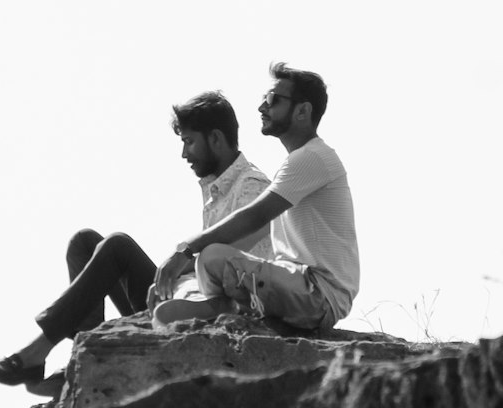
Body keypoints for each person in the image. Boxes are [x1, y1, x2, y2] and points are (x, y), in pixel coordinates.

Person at [0, 90, 270, 394]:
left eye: (189, 141)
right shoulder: (215, 190)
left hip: (215, 309)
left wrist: (178, 268)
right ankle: (84, 357)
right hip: (188, 298)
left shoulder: (251, 185)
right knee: (84, 242)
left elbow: (231, 257)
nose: (184, 154)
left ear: (216, 139)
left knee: (118, 245)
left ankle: (35, 353)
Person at [151, 62, 358, 337]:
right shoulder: (297, 161)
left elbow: (254, 216)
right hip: (301, 285)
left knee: (210, 255)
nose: (263, 108)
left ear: (303, 111)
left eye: (273, 100)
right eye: (264, 100)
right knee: (209, 259)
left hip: (318, 292)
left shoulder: (312, 157)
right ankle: (224, 308)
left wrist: (185, 249)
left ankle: (222, 311)